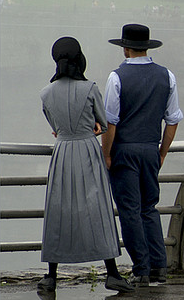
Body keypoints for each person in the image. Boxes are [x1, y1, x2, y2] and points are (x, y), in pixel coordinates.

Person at [38, 37, 134, 293]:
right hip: (88, 152)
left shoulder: (46, 93)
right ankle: (112, 273)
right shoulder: (90, 88)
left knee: (58, 212)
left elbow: (55, 129)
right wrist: (93, 127)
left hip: (63, 154)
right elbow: (102, 122)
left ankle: (51, 276)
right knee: (98, 211)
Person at [102, 24, 183, 286]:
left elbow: (110, 123)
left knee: (129, 210)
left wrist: (107, 155)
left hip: (124, 149)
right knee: (149, 208)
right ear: (147, 47)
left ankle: (141, 269)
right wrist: (161, 153)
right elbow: (172, 121)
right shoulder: (167, 76)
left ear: (125, 48)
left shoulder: (117, 77)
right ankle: (159, 265)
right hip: (151, 148)